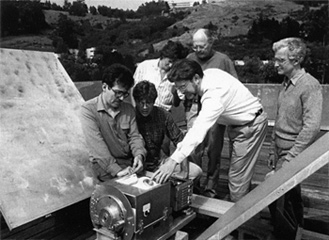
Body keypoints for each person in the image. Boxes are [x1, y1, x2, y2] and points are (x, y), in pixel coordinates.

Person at [151, 59, 268, 202]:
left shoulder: (214, 95)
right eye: (178, 88)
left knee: (237, 179)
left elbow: (198, 130)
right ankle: (239, 202)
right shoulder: (208, 74)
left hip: (250, 126)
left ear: (195, 78)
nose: (181, 93)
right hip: (237, 125)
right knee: (239, 173)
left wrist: (173, 160)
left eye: (183, 87)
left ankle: (236, 218)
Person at [267, 37, 323, 239]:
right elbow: (280, 118)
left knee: (279, 197)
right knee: (290, 197)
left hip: (293, 151)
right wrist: (274, 151)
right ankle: (294, 231)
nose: (276, 64)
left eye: (281, 60)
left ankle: (287, 235)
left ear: (296, 59)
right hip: (280, 149)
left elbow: (311, 127)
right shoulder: (286, 83)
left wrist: (290, 159)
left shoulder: (309, 86)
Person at [186, 28, 238, 197]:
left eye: (201, 46)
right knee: (194, 148)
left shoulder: (223, 60)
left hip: (216, 110)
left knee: (214, 151)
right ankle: (193, 185)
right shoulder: (190, 59)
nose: (198, 50)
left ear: (211, 43)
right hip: (194, 107)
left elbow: (235, 85)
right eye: (195, 47)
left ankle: (211, 188)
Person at [80, 64, 147, 182]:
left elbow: (135, 137)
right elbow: (98, 147)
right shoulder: (88, 110)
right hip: (104, 166)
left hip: (128, 163)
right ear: (105, 87)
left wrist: (139, 155)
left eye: (125, 94)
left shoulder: (129, 109)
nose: (121, 98)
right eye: (118, 93)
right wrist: (117, 171)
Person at [133, 80, 203, 180]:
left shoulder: (162, 114)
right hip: (138, 167)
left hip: (159, 162)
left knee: (196, 171)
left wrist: (184, 171)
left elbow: (180, 141)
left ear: (154, 101)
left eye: (148, 103)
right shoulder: (130, 116)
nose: (145, 107)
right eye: (141, 103)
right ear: (136, 101)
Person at [132, 40, 188, 156]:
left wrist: (174, 93)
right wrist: (135, 111)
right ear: (163, 56)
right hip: (140, 113)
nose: (171, 65)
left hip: (162, 116)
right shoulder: (144, 66)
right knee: (140, 145)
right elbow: (133, 91)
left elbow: (176, 103)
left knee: (164, 147)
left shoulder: (176, 75)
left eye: (174, 62)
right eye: (170, 61)